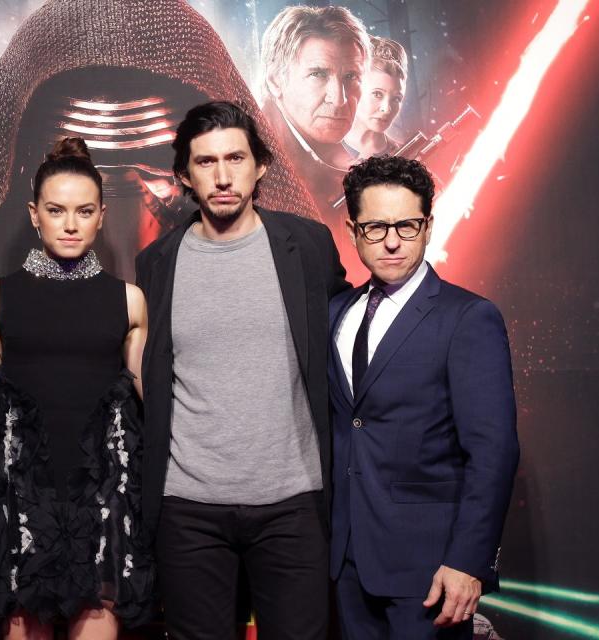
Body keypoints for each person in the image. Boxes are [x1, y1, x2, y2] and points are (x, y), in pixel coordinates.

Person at [136, 101, 349, 640]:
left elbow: (349, 340)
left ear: (261, 166)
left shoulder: (309, 246)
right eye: (206, 162)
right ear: (184, 175)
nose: (224, 176)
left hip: (293, 502)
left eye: (236, 158)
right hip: (188, 507)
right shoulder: (157, 262)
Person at [0, 0, 320, 285]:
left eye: (153, 157)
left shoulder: (266, 261)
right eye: (78, 164)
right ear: (21, 171)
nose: (116, 193)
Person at [0, 137, 152, 639]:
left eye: (83, 210)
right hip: (21, 497)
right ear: (34, 214)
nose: (70, 224)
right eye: (56, 210)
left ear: (100, 216)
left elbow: (150, 403)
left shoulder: (130, 301)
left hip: (101, 502)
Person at [330, 155, 519, 639]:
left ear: (428, 226)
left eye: (407, 225)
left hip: (430, 571)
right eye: (375, 227)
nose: (392, 241)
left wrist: (467, 561)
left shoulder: (467, 317)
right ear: (352, 231)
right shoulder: (335, 313)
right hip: (344, 564)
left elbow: (493, 452)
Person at [260, 5, 370, 218]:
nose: (340, 100)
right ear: (275, 80)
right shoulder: (254, 171)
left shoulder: (336, 155)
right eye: (318, 74)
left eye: (351, 77)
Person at [343, 37, 408, 159]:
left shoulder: (405, 158)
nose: (387, 109)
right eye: (377, 94)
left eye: (396, 99)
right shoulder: (320, 150)